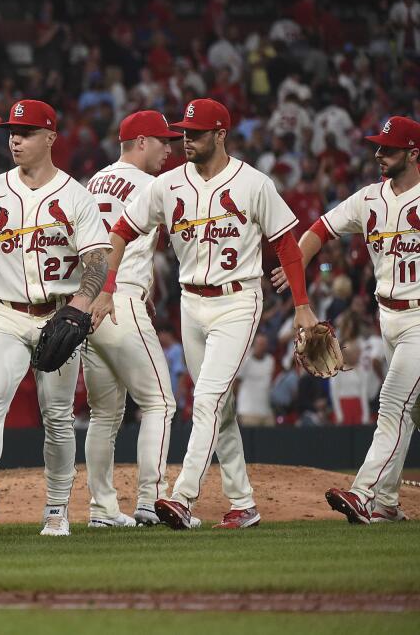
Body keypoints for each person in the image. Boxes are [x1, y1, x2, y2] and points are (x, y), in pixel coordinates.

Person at [105, 98, 319, 530]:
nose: (187, 139)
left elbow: (286, 244)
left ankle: (182, 496)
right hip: (190, 302)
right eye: (184, 132)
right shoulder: (166, 184)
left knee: (205, 399)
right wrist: (107, 287)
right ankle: (244, 504)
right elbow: (122, 230)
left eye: (196, 133)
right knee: (217, 409)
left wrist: (302, 305)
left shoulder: (253, 183)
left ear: (221, 134)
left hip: (238, 301)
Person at [0, 100, 111, 537]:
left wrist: (81, 305)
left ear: (51, 137)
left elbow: (98, 260)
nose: (15, 138)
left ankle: (56, 509)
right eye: (13, 130)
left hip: (58, 315)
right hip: (5, 315)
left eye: (28, 131)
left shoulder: (74, 195)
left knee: (56, 416)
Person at [273, 115, 420, 524]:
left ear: (413, 153)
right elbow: (319, 229)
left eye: (388, 149)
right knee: (407, 412)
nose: (378, 153)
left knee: (391, 404)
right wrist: (295, 266)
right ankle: (388, 501)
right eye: (378, 146)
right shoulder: (369, 198)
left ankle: (364, 493)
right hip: (388, 317)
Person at [80, 110, 180, 527]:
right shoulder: (153, 185)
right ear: (141, 141)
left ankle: (102, 509)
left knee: (104, 414)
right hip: (118, 299)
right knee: (160, 402)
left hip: (86, 303)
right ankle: (149, 501)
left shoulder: (92, 182)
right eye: (162, 141)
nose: (169, 149)